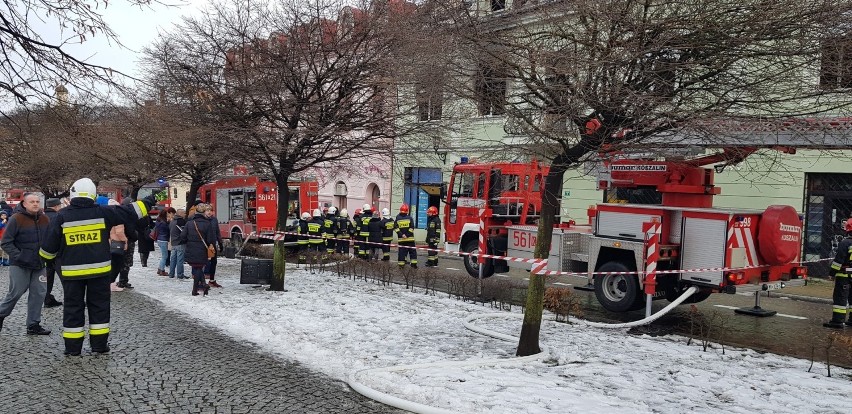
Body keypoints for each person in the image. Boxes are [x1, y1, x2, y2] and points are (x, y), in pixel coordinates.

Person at [39, 178, 156, 355]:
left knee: (73, 308)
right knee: (99, 307)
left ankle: (73, 349)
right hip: (100, 272)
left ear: (72, 193)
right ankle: (99, 346)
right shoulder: (104, 212)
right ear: (93, 194)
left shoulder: (62, 216)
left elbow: (47, 250)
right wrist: (152, 198)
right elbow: (133, 211)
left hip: (72, 273)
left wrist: (50, 261)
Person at [0, 193, 51, 335]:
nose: (35, 204)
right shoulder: (16, 219)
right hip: (20, 264)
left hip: (39, 264)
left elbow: (50, 239)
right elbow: (6, 242)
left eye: (37, 201)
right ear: (25, 203)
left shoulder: (45, 219)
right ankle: (1, 313)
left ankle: (33, 325)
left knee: (39, 293)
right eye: (32, 201)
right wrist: (20, 256)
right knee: (16, 293)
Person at [178, 203, 217, 296]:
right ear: (204, 213)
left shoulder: (189, 223)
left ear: (195, 212)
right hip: (202, 250)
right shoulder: (207, 224)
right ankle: (201, 286)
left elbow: (182, 236)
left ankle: (196, 289)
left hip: (191, 249)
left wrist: (188, 240)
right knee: (199, 268)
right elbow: (210, 239)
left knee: (197, 268)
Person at [825, 218, 852, 328]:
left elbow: (838, 261)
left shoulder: (845, 243)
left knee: (840, 298)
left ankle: (837, 321)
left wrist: (832, 273)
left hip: (844, 275)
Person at [42, 198, 63, 307]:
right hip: (58, 253)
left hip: (44, 252)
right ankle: (73, 299)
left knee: (48, 277)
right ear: (57, 206)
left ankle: (47, 299)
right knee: (66, 279)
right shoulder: (58, 217)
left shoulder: (41, 217)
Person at [116, 198, 139, 289]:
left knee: (121, 262)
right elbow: (130, 230)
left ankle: (122, 280)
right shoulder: (128, 216)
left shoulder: (119, 214)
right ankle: (123, 281)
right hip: (127, 241)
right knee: (126, 262)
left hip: (119, 241)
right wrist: (135, 236)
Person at [202, 208, 223, 287]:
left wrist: (220, 242)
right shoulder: (202, 220)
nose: (209, 212)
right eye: (207, 210)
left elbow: (217, 231)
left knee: (214, 262)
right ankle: (201, 281)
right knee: (203, 263)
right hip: (204, 244)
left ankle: (212, 280)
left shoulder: (214, 220)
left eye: (211, 210)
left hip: (213, 244)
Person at [394, 204, 417, 268]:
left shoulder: (397, 218)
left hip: (401, 239)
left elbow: (396, 228)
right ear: (407, 211)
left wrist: (402, 235)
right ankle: (413, 264)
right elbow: (412, 228)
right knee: (412, 252)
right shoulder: (409, 218)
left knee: (401, 252)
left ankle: (401, 265)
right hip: (410, 239)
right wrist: (407, 235)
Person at [168, 209, 187, 279]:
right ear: (180, 214)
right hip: (180, 242)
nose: (185, 214)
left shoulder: (172, 221)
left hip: (173, 242)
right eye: (184, 213)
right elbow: (184, 232)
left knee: (173, 259)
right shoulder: (181, 221)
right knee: (180, 260)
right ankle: (180, 274)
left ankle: (171, 274)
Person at [154, 209, 172, 276]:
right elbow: (168, 230)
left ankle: (160, 268)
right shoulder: (164, 223)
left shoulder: (158, 221)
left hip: (159, 239)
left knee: (163, 256)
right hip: (164, 240)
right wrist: (169, 222)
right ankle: (162, 270)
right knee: (165, 256)